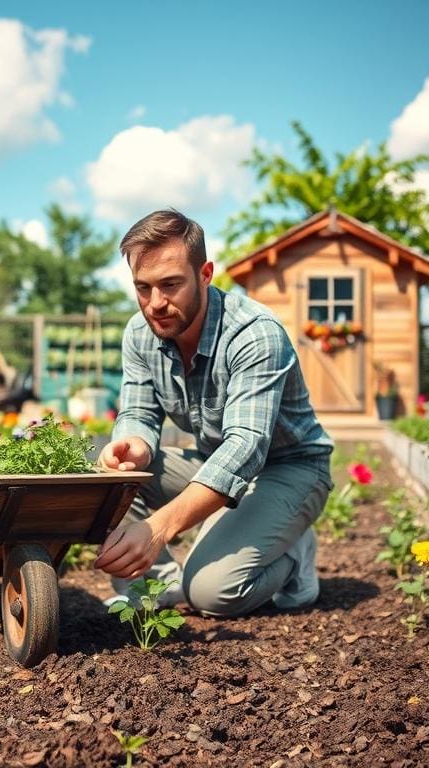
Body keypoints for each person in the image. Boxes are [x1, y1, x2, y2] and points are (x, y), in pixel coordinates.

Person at [94, 209, 334, 615]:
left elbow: (245, 447)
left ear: (205, 274)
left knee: (211, 594)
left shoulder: (253, 333)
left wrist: (158, 528)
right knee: (105, 474)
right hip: (213, 462)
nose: (156, 304)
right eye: (142, 287)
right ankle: (160, 587)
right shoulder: (140, 333)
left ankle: (294, 555)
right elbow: (137, 412)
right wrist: (134, 445)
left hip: (290, 470)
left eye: (171, 285)